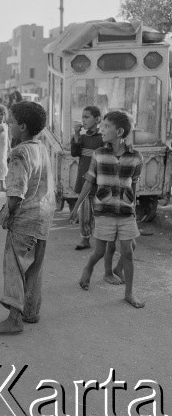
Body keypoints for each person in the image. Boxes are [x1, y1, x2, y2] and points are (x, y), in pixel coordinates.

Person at [0, 102, 56, 334]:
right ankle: (31, 311)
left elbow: (16, 192)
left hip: (26, 218)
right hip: (44, 216)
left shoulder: (20, 152)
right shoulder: (42, 148)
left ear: (23, 127)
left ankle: (14, 318)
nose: (8, 124)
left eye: (12, 121)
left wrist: (8, 213)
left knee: (15, 265)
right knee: (35, 266)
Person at [70, 111, 144, 308]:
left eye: (107, 127)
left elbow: (133, 183)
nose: (102, 130)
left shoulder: (136, 157)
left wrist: (134, 207)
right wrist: (76, 207)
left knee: (128, 251)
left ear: (119, 131)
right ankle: (88, 268)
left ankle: (129, 293)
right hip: (103, 211)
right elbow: (88, 183)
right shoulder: (99, 155)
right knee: (100, 250)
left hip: (126, 212)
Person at [70, 107, 118, 283]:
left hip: (100, 177)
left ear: (97, 120)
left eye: (87, 117)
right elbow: (74, 152)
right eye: (82, 117)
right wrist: (76, 134)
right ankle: (84, 238)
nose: (83, 120)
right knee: (85, 210)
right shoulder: (82, 138)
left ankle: (101, 238)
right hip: (85, 174)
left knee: (99, 210)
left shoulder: (102, 138)